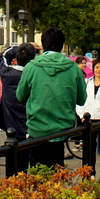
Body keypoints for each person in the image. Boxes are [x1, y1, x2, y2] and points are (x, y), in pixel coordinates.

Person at [15, 27, 86, 169]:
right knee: (58, 175)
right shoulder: (73, 68)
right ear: (62, 46)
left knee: (38, 175)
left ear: (42, 45)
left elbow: (20, 96)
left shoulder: (31, 67)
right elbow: (82, 100)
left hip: (37, 129)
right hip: (63, 129)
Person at [0, 43, 36, 172]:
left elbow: (3, 55)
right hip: (32, 127)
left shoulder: (7, 73)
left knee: (14, 171)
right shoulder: (35, 75)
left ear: (16, 58)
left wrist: (17, 48)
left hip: (11, 127)